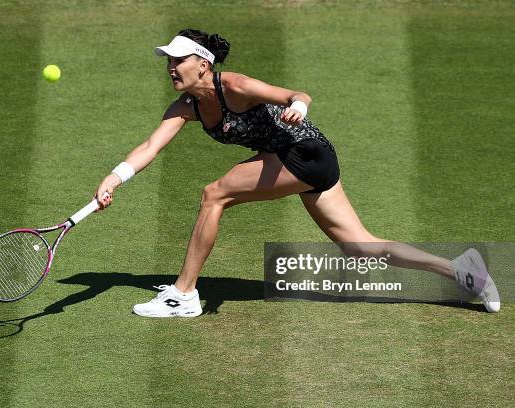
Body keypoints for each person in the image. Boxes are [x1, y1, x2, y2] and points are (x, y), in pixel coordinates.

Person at [95, 28, 500, 317]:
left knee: (214, 193)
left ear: (203, 64)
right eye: (168, 61)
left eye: (178, 60)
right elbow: (150, 147)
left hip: (304, 152)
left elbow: (296, 95)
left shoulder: (235, 85)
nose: (171, 68)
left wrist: (299, 108)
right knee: (360, 247)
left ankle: (184, 294)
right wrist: (115, 178)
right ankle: (463, 271)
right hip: (299, 161)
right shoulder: (187, 107)